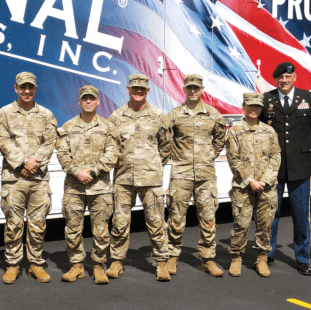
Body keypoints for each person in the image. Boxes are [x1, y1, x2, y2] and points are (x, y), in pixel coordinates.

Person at [106, 74, 173, 282]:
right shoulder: (116, 117)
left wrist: (152, 164)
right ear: (128, 89)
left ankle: (161, 262)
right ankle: (117, 261)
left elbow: (166, 146)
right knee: (119, 222)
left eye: (142, 89)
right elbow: (110, 147)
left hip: (151, 179)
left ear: (147, 91)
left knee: (156, 222)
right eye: (135, 88)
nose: (138, 92)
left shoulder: (159, 116)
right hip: (124, 179)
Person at [0, 72, 58, 284]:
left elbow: (50, 143)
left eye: (30, 87)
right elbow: (3, 142)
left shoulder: (46, 114)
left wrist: (34, 163)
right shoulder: (4, 114)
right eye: (23, 87)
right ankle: (12, 264)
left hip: (38, 179)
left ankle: (35, 264)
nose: (27, 91)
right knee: (13, 223)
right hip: (14, 178)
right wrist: (23, 162)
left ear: (36, 89)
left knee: (38, 224)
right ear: (16, 88)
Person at [260, 62, 311, 276]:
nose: (284, 81)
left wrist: (301, 147)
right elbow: (260, 130)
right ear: (275, 79)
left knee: (300, 214)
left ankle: (303, 259)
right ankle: (267, 255)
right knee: (271, 213)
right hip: (273, 169)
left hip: (300, 167)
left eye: (287, 77)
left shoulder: (309, 98)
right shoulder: (267, 99)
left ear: (294, 77)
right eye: (280, 78)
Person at [163, 74, 228, 278]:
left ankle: (207, 259)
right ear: (184, 88)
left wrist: (209, 155)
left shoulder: (213, 114)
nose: (193, 91)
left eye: (196, 88)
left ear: (202, 89)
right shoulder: (174, 114)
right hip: (181, 174)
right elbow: (165, 140)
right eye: (189, 87)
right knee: (175, 217)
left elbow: (220, 138)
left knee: (208, 218)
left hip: (205, 175)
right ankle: (172, 257)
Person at [56, 85, 120, 285]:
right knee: (72, 228)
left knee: (101, 229)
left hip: (99, 187)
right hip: (74, 187)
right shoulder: (67, 127)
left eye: (92, 98)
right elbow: (62, 154)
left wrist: (93, 172)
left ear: (98, 101)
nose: (89, 101)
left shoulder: (108, 127)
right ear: (79, 101)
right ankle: (77, 266)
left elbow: (112, 154)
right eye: (85, 99)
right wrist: (77, 172)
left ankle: (99, 266)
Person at [226, 93, 281, 278]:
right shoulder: (234, 131)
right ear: (244, 106)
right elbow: (233, 159)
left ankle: (262, 259)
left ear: (261, 108)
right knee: (241, 224)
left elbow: (276, 157)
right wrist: (250, 180)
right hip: (243, 186)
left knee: (265, 224)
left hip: (267, 186)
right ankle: (236, 258)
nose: (254, 109)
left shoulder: (269, 131)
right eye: (250, 106)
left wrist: (264, 180)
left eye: (257, 106)